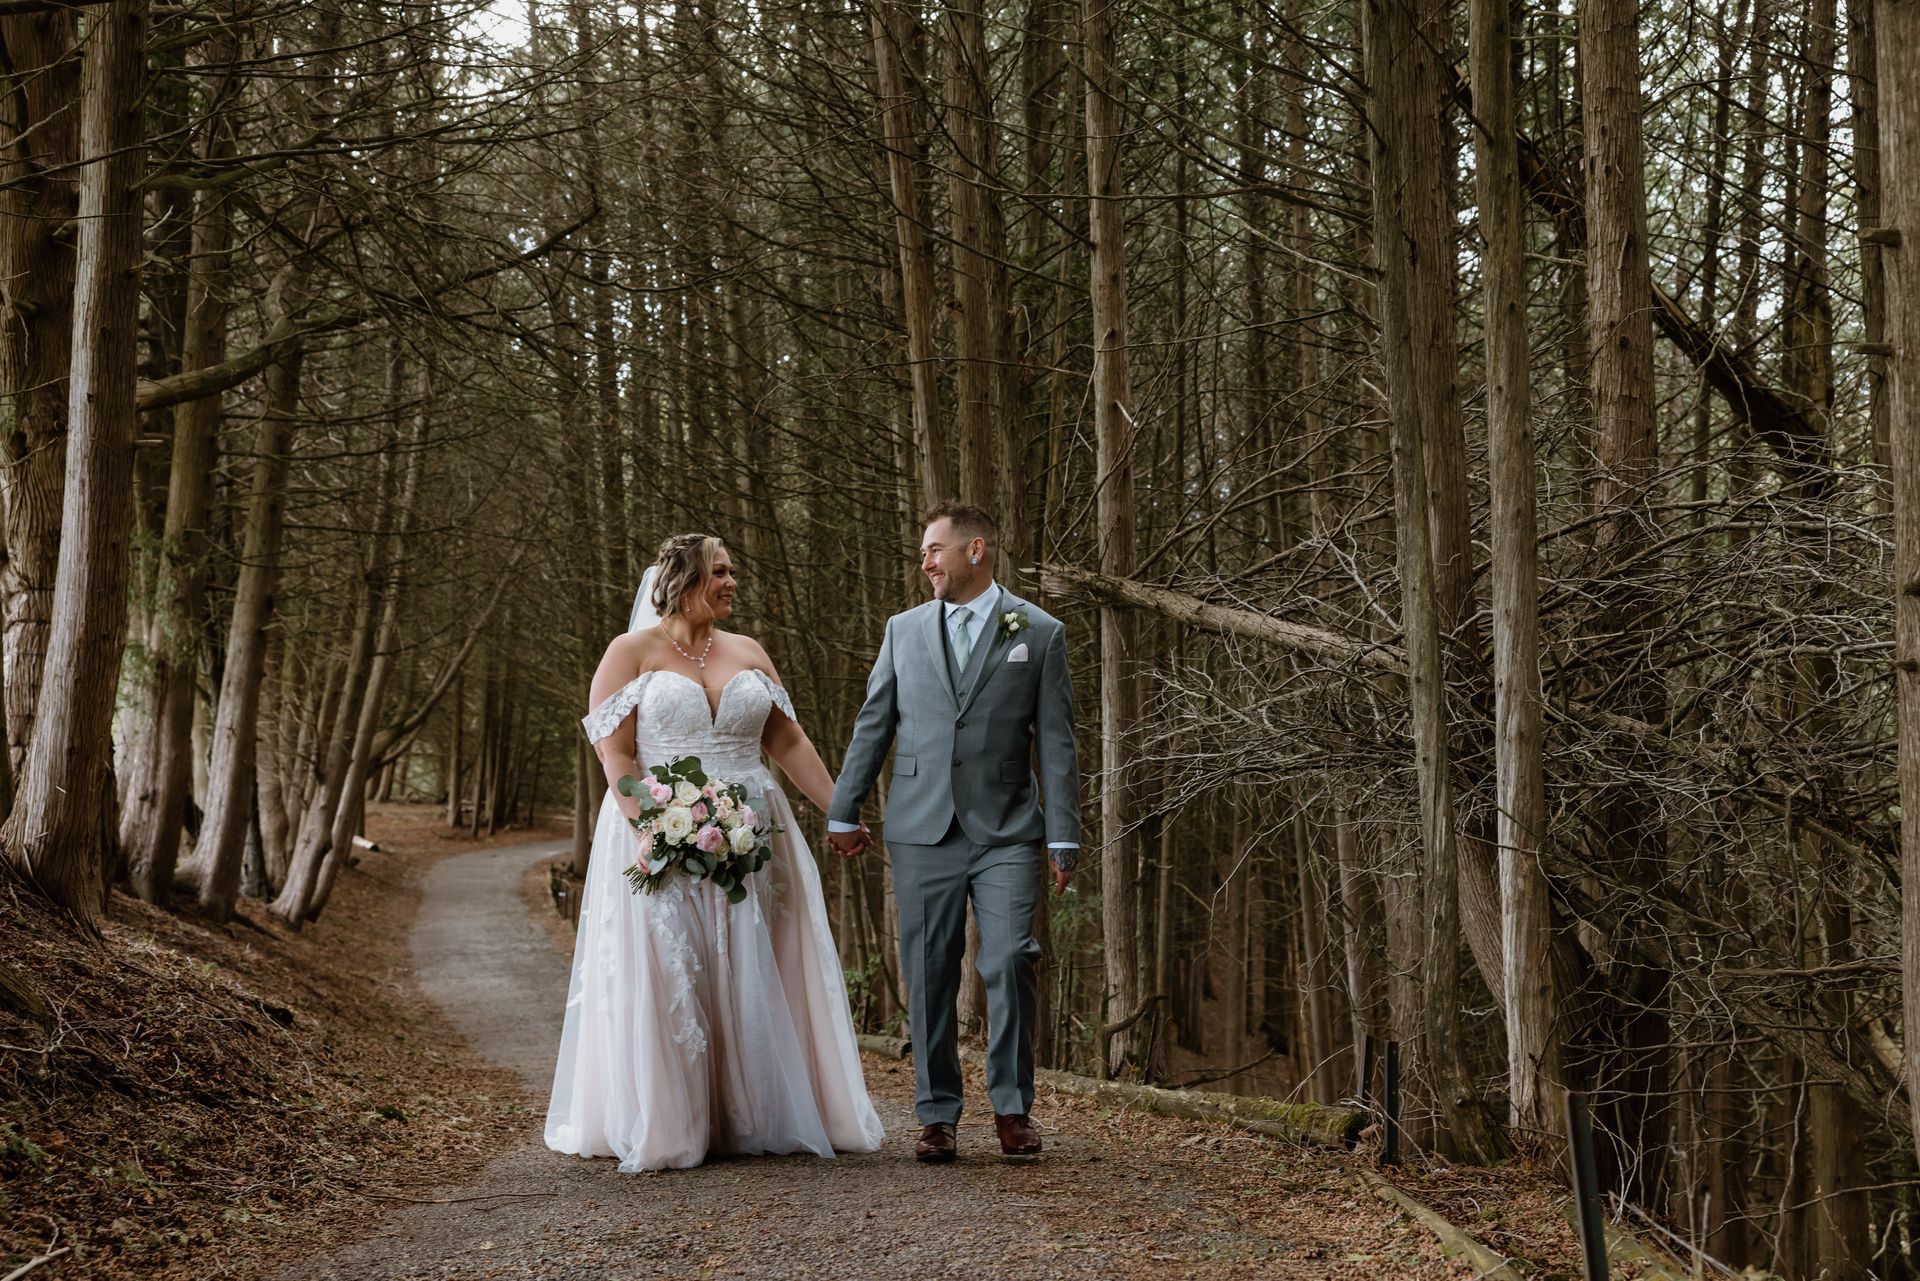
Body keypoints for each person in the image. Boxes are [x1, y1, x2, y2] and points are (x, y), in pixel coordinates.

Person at [545, 533, 884, 1171]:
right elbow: (615, 755)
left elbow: (787, 743)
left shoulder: (749, 652)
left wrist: (839, 813)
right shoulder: (630, 653)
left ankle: (753, 1111)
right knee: (676, 966)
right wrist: (649, 822)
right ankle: (678, 1118)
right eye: (720, 571)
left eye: (733, 571)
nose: (733, 582)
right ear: (683, 579)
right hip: (657, 828)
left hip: (755, 828)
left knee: (755, 960)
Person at [827, 500, 1082, 1162]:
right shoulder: (903, 630)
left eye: (934, 548)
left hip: (1008, 830)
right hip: (921, 825)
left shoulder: (1039, 631)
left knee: (1009, 957)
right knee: (930, 968)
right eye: (922, 552)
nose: (925, 561)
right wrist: (843, 806)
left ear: (976, 551)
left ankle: (1012, 1107)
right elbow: (872, 721)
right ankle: (937, 1113)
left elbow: (1056, 740)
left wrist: (1064, 834)